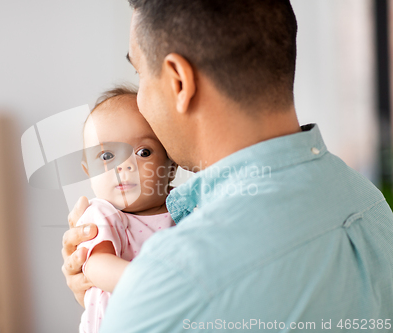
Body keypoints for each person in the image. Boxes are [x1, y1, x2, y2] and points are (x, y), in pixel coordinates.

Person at [62, 0, 393, 332]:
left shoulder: (168, 284)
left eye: (141, 74)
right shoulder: (372, 206)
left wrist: (132, 306)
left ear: (179, 81)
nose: (140, 102)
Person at [75, 86, 176, 333]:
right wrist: (157, 285)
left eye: (143, 152)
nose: (124, 166)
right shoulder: (104, 213)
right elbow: (96, 265)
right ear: (89, 171)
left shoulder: (184, 210)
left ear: (170, 166)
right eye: (107, 155)